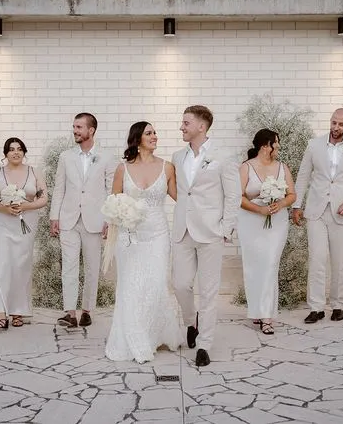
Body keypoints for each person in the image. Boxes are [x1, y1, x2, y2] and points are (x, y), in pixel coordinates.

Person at [104, 122, 183, 363]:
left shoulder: (168, 167)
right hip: (130, 238)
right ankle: (136, 339)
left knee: (157, 284)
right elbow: (113, 202)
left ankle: (153, 332)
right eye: (149, 133)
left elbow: (181, 197)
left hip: (158, 234)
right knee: (131, 287)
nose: (154, 136)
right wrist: (117, 219)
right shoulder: (122, 169)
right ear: (137, 139)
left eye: (155, 132)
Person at [172, 105, 241, 367]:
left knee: (209, 292)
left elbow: (233, 195)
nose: (182, 126)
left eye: (186, 122)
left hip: (211, 231)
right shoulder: (178, 157)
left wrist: (225, 229)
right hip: (182, 230)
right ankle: (191, 322)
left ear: (202, 126)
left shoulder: (223, 156)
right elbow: (181, 192)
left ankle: (204, 345)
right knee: (180, 284)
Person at [291, 108, 343, 324]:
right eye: (334, 122)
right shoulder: (313, 145)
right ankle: (316, 307)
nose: (336, 128)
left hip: (342, 212)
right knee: (316, 259)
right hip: (316, 210)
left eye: (341, 124)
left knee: (340, 261)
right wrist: (297, 205)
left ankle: (337, 304)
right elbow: (303, 176)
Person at [49, 113, 116, 328]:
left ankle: (87, 310)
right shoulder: (66, 157)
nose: (75, 131)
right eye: (74, 127)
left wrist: (109, 219)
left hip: (95, 220)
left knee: (91, 267)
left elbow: (110, 191)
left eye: (79, 127)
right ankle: (70, 313)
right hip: (68, 219)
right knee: (68, 266)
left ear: (91, 130)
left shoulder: (106, 157)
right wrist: (54, 216)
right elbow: (59, 188)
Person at [237, 129, 296, 335]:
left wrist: (280, 204)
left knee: (270, 265)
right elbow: (239, 197)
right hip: (251, 221)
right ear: (265, 145)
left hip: (277, 222)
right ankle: (257, 311)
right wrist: (260, 209)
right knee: (254, 267)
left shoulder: (282, 167)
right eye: (276, 143)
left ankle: (267, 317)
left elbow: (292, 195)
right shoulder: (246, 167)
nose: (278, 146)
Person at [0, 137, 48, 329]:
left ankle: (18, 312)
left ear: (24, 152)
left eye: (20, 149)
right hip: (1, 224)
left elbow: (43, 198)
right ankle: (1, 313)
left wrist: (26, 205)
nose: (16, 152)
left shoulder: (34, 172)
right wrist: (4, 209)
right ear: (5, 153)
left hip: (26, 224)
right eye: (11, 149)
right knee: (2, 266)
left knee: (21, 267)